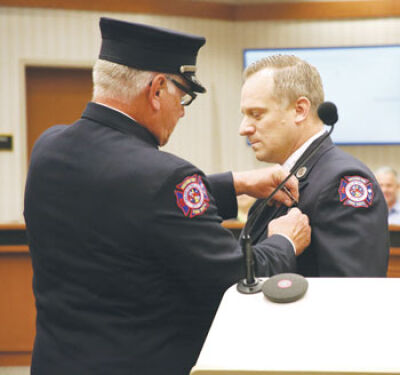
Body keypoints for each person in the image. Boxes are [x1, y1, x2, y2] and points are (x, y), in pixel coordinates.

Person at [24, 18, 311, 375]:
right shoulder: (166, 178)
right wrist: (283, 241)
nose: (182, 110)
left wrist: (235, 182)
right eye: (184, 95)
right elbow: (237, 278)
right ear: (157, 89)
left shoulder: (49, 147)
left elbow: (125, 200)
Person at [239, 54, 389, 277]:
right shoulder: (279, 179)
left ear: (300, 110)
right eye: (244, 115)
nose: (244, 128)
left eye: (256, 114)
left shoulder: (341, 180)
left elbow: (352, 293)